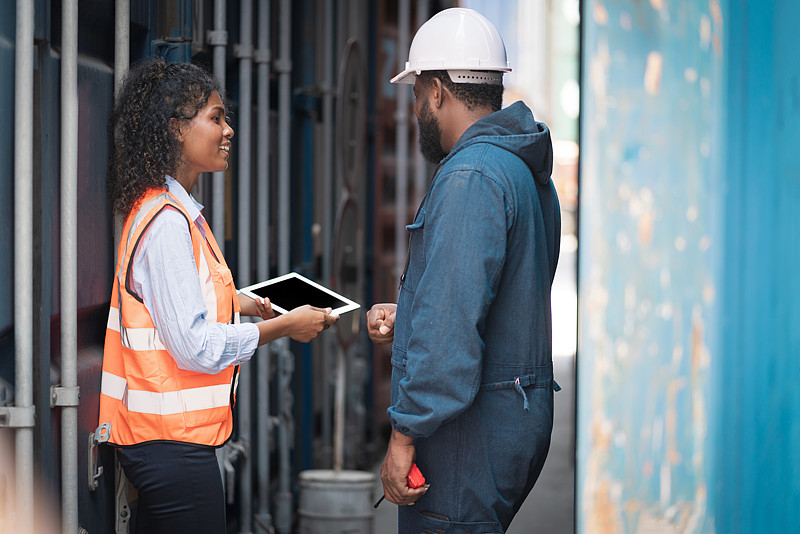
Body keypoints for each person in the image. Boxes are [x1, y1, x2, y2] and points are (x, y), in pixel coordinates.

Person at [97, 58, 338, 534]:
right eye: (216, 117)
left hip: (170, 448)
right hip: (172, 450)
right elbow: (195, 346)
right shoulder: (167, 222)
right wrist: (286, 327)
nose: (229, 130)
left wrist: (246, 303)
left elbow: (185, 304)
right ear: (176, 131)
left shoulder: (175, 213)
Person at [366, 8, 561, 533]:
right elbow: (505, 293)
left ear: (436, 92)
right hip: (511, 416)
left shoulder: (470, 175)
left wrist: (404, 437)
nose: (414, 113)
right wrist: (409, 314)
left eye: (415, 98)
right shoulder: (521, 166)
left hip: (466, 439)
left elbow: (452, 326)